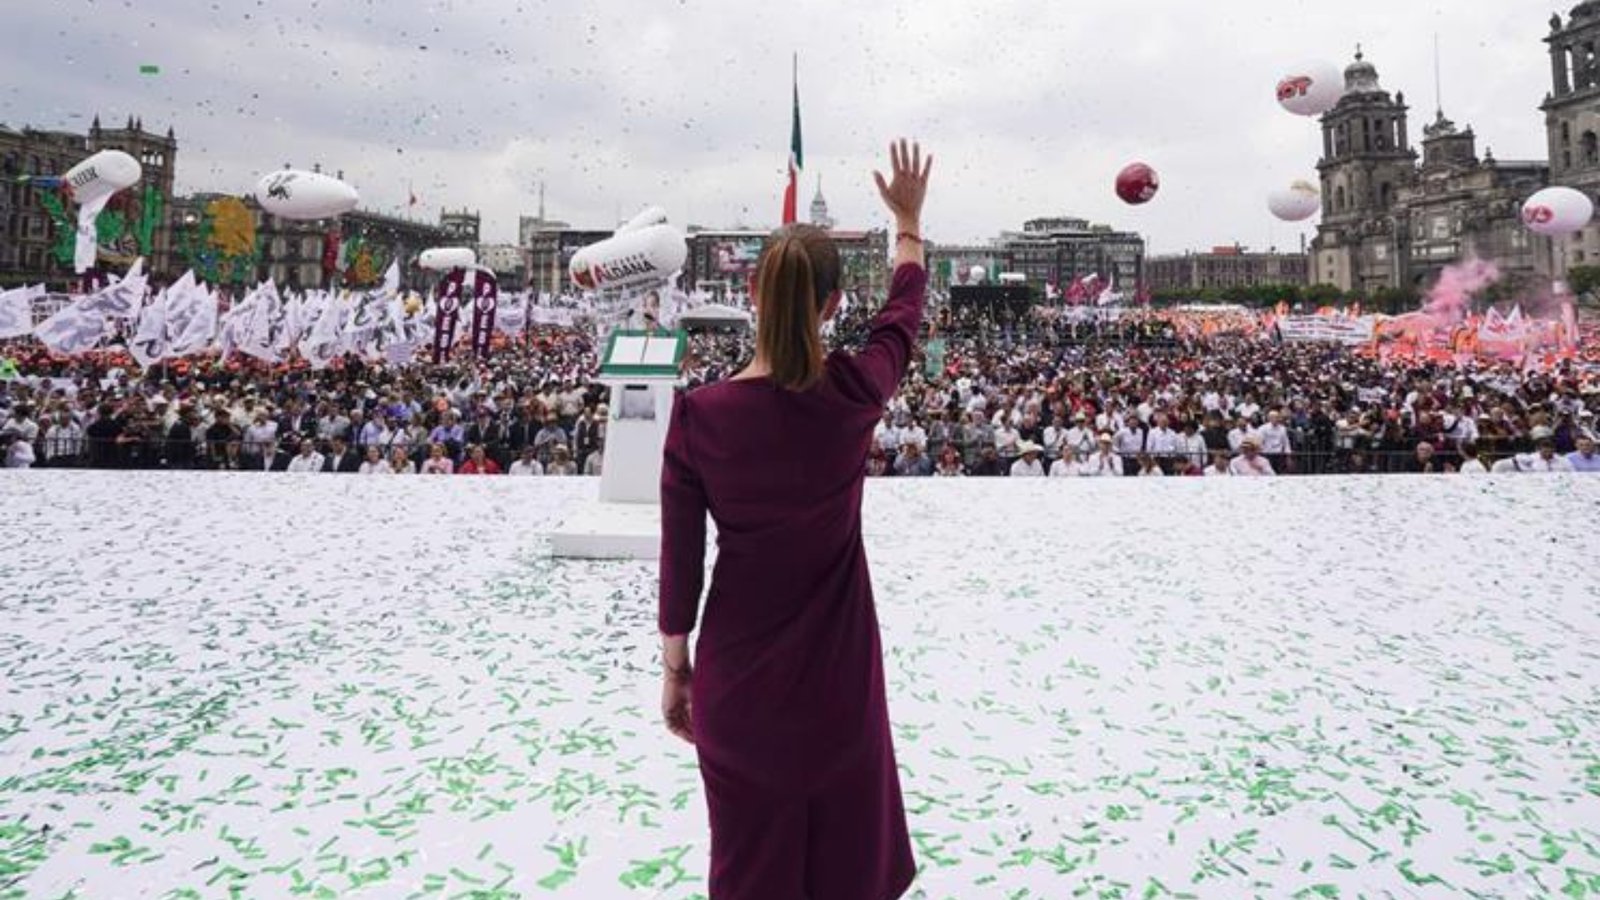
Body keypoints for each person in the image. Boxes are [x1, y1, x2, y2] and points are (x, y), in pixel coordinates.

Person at [658, 140, 929, 900]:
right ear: (834, 304)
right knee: (845, 869)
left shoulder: (698, 416)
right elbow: (901, 318)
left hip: (738, 685)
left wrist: (677, 670)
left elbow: (680, 567)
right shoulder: (854, 392)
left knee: (751, 873)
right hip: (838, 684)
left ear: (752, 295)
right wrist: (908, 225)